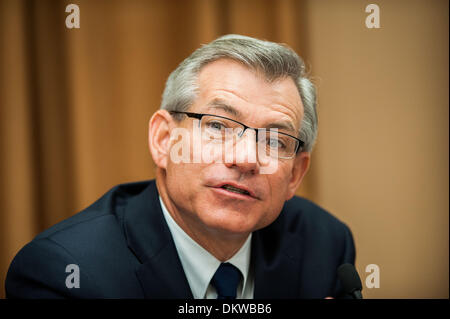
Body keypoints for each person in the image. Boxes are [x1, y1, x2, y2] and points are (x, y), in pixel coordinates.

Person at [5, 34, 355, 299]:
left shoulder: (324, 245)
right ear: (163, 140)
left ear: (295, 174)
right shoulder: (66, 272)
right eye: (218, 126)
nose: (246, 159)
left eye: (274, 141)